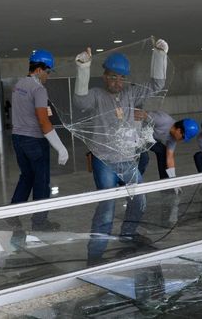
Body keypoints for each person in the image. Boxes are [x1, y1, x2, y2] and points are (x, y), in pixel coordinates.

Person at [73, 39, 169, 264]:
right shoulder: (97, 95)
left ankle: (128, 234)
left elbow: (156, 85)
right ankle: (95, 255)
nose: (117, 81)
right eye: (113, 76)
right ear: (105, 75)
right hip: (104, 160)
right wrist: (83, 69)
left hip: (127, 159)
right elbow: (80, 102)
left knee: (139, 200)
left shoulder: (130, 94)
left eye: (121, 77)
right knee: (107, 207)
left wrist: (159, 55)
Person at [9, 49, 69, 232]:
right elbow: (43, 121)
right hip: (34, 141)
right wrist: (61, 148)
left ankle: (13, 213)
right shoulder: (38, 89)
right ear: (39, 69)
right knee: (41, 182)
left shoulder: (19, 84)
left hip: (18, 138)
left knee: (27, 176)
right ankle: (40, 222)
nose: (47, 77)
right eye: (48, 72)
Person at [137, 110, 199, 225]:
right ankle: (132, 181)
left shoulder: (173, 138)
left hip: (148, 140)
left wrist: (174, 180)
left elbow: (170, 157)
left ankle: (165, 182)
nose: (180, 141)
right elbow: (142, 114)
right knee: (144, 158)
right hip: (136, 134)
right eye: (182, 138)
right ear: (179, 130)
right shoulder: (163, 120)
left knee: (163, 151)